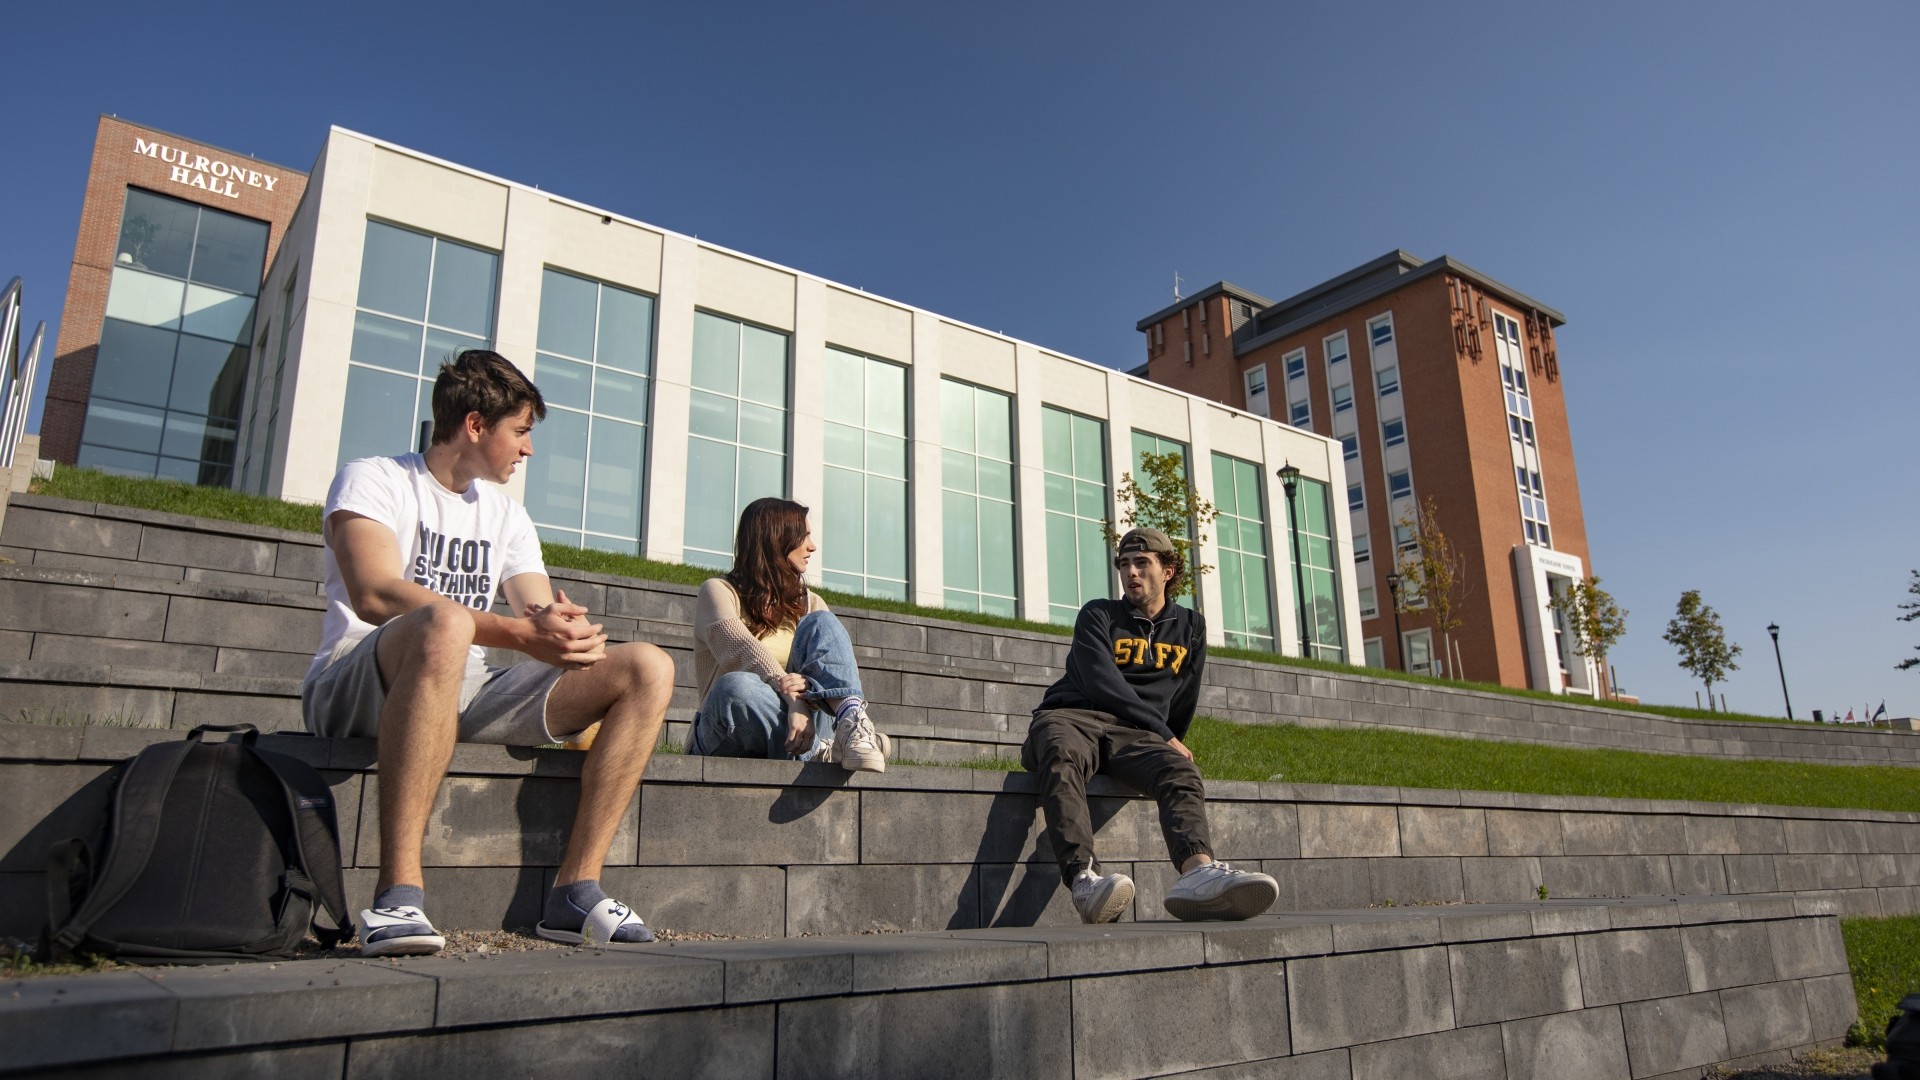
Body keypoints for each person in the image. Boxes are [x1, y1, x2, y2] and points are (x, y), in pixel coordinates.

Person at [302, 350, 676, 956]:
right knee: (444, 624)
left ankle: (574, 890)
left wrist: (562, 632)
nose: (528, 450)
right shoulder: (373, 478)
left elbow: (531, 610)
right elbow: (373, 593)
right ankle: (397, 894)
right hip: (355, 681)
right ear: (476, 425)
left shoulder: (505, 514)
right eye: (521, 431)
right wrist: (521, 634)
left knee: (648, 667)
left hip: (464, 691)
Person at [1025, 527, 1279, 923]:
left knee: (1180, 769)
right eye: (1125, 565)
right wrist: (1163, 733)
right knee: (1061, 752)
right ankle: (1083, 882)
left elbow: (1183, 699)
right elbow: (1100, 681)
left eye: (1142, 563)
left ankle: (1198, 873)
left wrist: (1166, 741)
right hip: (1073, 715)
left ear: (1168, 570)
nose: (1132, 573)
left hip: (1134, 735)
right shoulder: (1099, 614)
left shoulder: (1191, 627)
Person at [688, 497, 888, 771]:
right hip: (728, 728)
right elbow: (740, 649)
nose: (812, 546)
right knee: (735, 687)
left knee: (824, 623)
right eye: (803, 536)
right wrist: (793, 698)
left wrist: (808, 687)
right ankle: (823, 751)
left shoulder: (811, 603)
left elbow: (834, 674)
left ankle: (853, 724)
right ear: (776, 539)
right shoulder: (718, 592)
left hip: (803, 728)